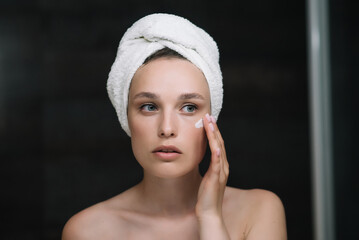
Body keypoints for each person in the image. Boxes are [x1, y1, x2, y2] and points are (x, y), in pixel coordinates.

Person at [62, 13, 287, 240]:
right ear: (125, 116)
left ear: (211, 118)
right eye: (149, 107)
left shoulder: (259, 211)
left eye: (189, 108)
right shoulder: (87, 231)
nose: (167, 128)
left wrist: (210, 218)